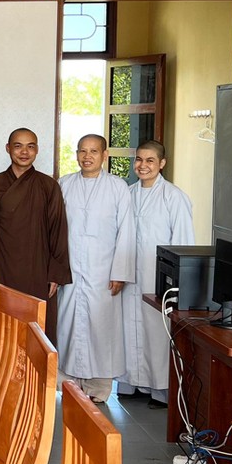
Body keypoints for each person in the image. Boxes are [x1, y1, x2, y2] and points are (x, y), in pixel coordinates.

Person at [58, 134, 136, 404]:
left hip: (104, 270)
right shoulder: (64, 184)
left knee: (101, 326)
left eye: (93, 151)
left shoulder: (118, 187)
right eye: (82, 151)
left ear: (105, 155)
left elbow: (127, 231)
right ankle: (68, 384)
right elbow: (55, 231)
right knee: (68, 322)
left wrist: (120, 272)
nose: (86, 156)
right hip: (70, 269)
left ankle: (99, 387)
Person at [118, 140, 194, 408]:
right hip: (130, 272)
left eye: (150, 160)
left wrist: (177, 283)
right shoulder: (126, 194)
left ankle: (160, 389)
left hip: (158, 275)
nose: (143, 165)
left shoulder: (174, 197)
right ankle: (132, 382)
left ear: (162, 163)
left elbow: (183, 243)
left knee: (156, 329)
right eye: (139, 159)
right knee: (129, 324)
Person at [0, 128, 71, 346]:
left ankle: (38, 377)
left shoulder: (48, 185)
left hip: (38, 267)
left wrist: (55, 272)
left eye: (30, 146)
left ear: (37, 150)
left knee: (37, 327)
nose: (24, 152)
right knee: (3, 324)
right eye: (18, 146)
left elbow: (58, 229)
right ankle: (2, 375)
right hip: (2, 267)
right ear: (8, 148)